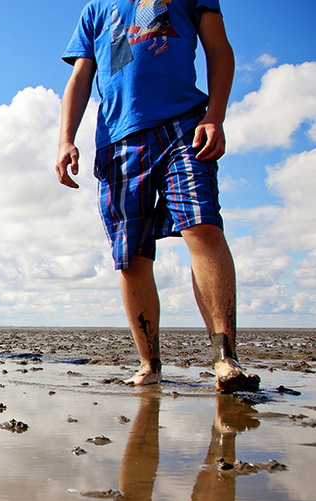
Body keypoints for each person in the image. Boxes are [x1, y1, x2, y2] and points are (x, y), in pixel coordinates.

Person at [55, 0, 260, 391]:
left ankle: (225, 358)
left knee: (201, 226)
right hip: (117, 142)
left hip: (183, 124)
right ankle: (150, 364)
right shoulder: (96, 9)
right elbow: (81, 78)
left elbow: (218, 48)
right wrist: (66, 140)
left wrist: (215, 115)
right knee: (131, 256)